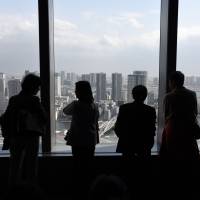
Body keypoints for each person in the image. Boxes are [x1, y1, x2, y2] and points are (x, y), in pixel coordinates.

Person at [1, 74, 46, 185]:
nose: (38, 89)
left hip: (15, 137)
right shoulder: (34, 100)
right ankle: (31, 191)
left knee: (15, 167)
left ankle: (13, 191)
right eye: (37, 87)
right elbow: (43, 118)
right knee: (31, 167)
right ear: (33, 87)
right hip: (31, 137)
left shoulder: (14, 99)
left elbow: (6, 117)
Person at [160, 71, 200, 160]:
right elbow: (195, 112)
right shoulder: (192, 94)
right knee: (188, 156)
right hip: (189, 129)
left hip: (173, 130)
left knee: (173, 156)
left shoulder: (168, 97)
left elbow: (166, 116)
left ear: (173, 82)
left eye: (169, 82)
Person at [114, 85, 156, 157]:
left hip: (127, 144)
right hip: (144, 145)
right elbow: (151, 129)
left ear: (133, 95)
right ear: (145, 96)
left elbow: (117, 127)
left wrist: (123, 138)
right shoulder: (150, 110)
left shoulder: (124, 108)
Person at [63, 80, 99, 157]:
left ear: (80, 92)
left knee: (78, 162)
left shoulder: (76, 104)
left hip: (77, 139)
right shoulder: (95, 106)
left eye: (76, 90)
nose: (75, 92)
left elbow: (65, 111)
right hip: (91, 139)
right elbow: (96, 122)